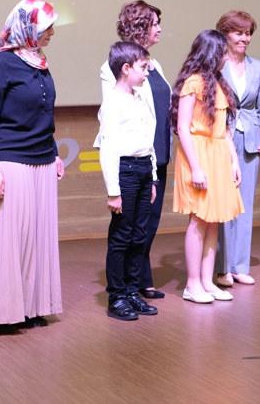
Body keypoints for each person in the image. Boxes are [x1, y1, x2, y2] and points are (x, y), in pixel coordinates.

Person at [0, 0, 65, 334]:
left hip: (41, 161)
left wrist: (53, 152)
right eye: (46, 27)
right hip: (10, 160)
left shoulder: (39, 63)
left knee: (36, 239)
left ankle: (29, 306)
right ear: (27, 27)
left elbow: (43, 114)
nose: (52, 32)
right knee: (7, 240)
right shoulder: (0, 65)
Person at [99, 0, 171, 299]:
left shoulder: (154, 64)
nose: (160, 29)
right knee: (127, 227)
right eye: (155, 24)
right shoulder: (115, 67)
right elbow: (117, 113)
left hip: (155, 151)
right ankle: (127, 288)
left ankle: (139, 279)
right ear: (141, 27)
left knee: (147, 222)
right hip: (131, 156)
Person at [170, 30, 244, 303]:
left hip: (218, 154)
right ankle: (192, 285)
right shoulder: (193, 82)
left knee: (214, 221)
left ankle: (206, 281)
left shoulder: (218, 82)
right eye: (224, 51)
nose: (227, 56)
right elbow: (183, 128)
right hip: (198, 154)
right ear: (212, 53)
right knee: (199, 219)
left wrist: (234, 160)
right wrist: (196, 167)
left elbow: (224, 130)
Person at [97, 42, 159, 321]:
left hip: (143, 168)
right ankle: (117, 296)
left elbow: (147, 139)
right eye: (143, 67)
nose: (147, 72)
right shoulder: (113, 102)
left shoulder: (139, 96)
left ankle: (133, 291)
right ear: (125, 69)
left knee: (139, 234)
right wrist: (114, 191)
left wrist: (153, 176)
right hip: (126, 171)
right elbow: (109, 149)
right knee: (122, 236)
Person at [214, 11, 260, 287]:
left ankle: (239, 266)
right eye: (238, 32)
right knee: (223, 203)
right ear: (225, 34)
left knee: (244, 205)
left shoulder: (258, 67)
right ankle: (222, 267)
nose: (244, 38)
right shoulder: (216, 64)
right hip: (221, 138)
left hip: (250, 140)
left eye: (248, 33)